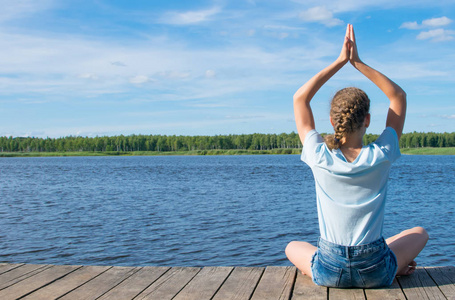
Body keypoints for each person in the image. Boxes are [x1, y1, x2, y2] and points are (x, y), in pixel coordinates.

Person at [285, 24, 429, 288]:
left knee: (293, 246)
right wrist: (358, 63)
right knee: (419, 233)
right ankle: (392, 268)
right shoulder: (383, 153)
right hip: (374, 268)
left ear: (331, 120)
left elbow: (300, 99)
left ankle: (315, 271)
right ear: (368, 120)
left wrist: (340, 61)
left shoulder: (318, 154)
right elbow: (398, 96)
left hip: (330, 267)